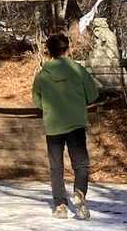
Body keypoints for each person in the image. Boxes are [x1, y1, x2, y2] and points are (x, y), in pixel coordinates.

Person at [32, 31, 99, 219]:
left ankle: (60, 205)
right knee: (81, 164)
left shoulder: (43, 75)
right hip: (76, 123)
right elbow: (93, 94)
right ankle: (79, 193)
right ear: (67, 49)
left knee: (56, 167)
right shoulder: (77, 70)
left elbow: (37, 101)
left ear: (49, 51)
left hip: (53, 126)